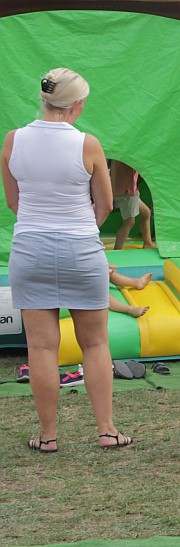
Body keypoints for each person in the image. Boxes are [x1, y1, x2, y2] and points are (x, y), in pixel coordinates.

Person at [1, 67, 131, 452]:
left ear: (44, 99)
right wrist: (81, 228)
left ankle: (48, 435)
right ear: (78, 104)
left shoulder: (12, 140)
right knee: (94, 343)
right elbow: (105, 204)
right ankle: (106, 430)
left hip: (30, 247)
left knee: (41, 347)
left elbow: (14, 203)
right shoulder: (87, 144)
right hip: (80, 248)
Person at [108, 160, 154, 250]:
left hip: (129, 191)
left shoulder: (121, 155)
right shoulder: (125, 156)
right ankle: (117, 249)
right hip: (126, 192)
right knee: (129, 221)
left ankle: (148, 242)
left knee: (146, 213)